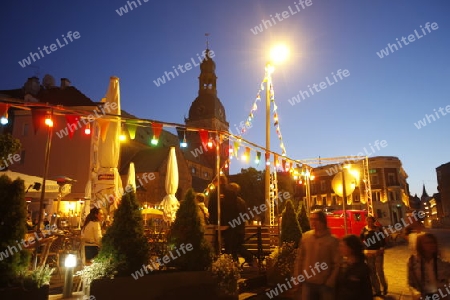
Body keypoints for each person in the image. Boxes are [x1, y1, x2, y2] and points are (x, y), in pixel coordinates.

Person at [293, 209, 341, 300]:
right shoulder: (306, 237)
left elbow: (337, 263)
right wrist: (297, 277)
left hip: (325, 284)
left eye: (316, 219)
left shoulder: (332, 240)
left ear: (323, 221)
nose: (313, 222)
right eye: (311, 219)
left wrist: (331, 280)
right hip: (308, 282)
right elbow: (300, 258)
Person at [408, 233, 450, 299]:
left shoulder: (443, 262)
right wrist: (416, 293)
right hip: (423, 296)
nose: (431, 245)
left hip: (442, 295)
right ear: (420, 245)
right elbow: (411, 282)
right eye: (427, 243)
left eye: (433, 242)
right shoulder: (413, 262)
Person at [335, 234, 373, 300]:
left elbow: (367, 292)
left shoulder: (362, 268)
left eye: (343, 246)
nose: (340, 249)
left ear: (351, 248)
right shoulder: (342, 265)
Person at [360, 216, 388, 297]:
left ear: (374, 221)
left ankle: (384, 287)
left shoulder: (378, 229)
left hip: (378, 252)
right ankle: (377, 290)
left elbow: (383, 240)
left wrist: (381, 249)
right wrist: (364, 250)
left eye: (371, 221)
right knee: (372, 272)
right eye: (368, 221)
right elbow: (361, 239)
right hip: (369, 253)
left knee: (379, 271)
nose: (369, 222)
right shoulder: (364, 229)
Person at [228, 183, 254, 267]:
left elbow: (232, 214)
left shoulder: (232, 201)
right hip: (240, 228)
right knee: (236, 247)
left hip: (234, 228)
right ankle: (237, 263)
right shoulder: (241, 201)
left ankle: (247, 258)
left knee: (234, 247)